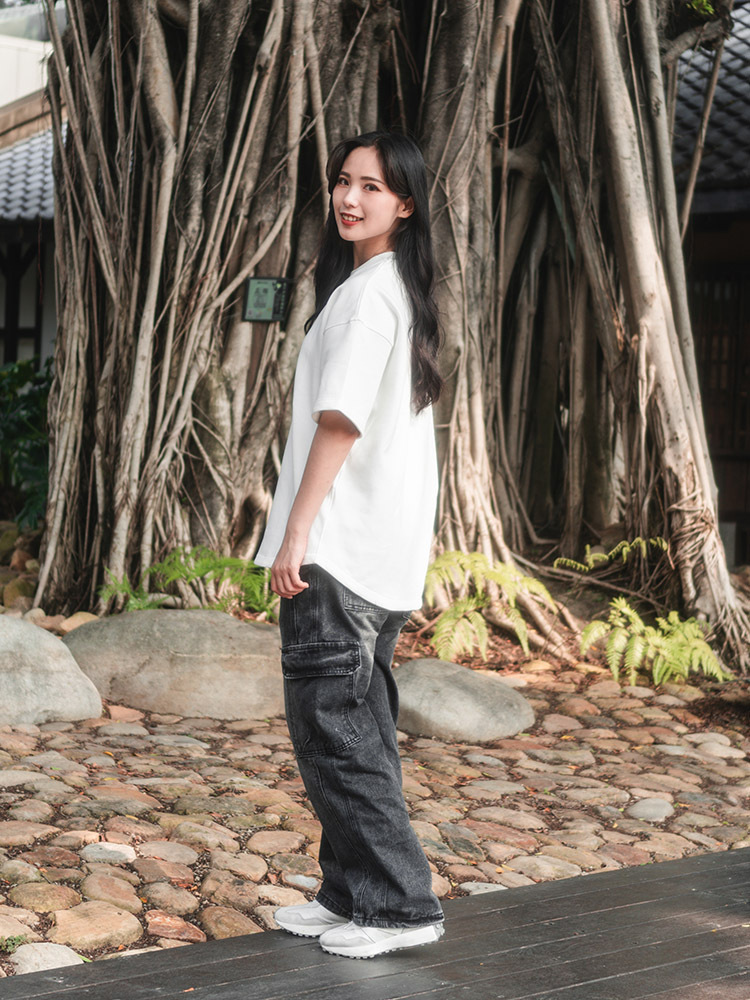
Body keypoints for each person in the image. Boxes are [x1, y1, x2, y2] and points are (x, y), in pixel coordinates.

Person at [254, 130, 444, 960]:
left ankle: (400, 907)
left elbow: (340, 422)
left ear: (405, 204)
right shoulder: (394, 288)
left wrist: (297, 531)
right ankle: (352, 892)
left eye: (371, 186)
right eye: (343, 181)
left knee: (334, 733)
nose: (349, 197)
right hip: (380, 556)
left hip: (338, 552)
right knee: (359, 728)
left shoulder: (369, 295)